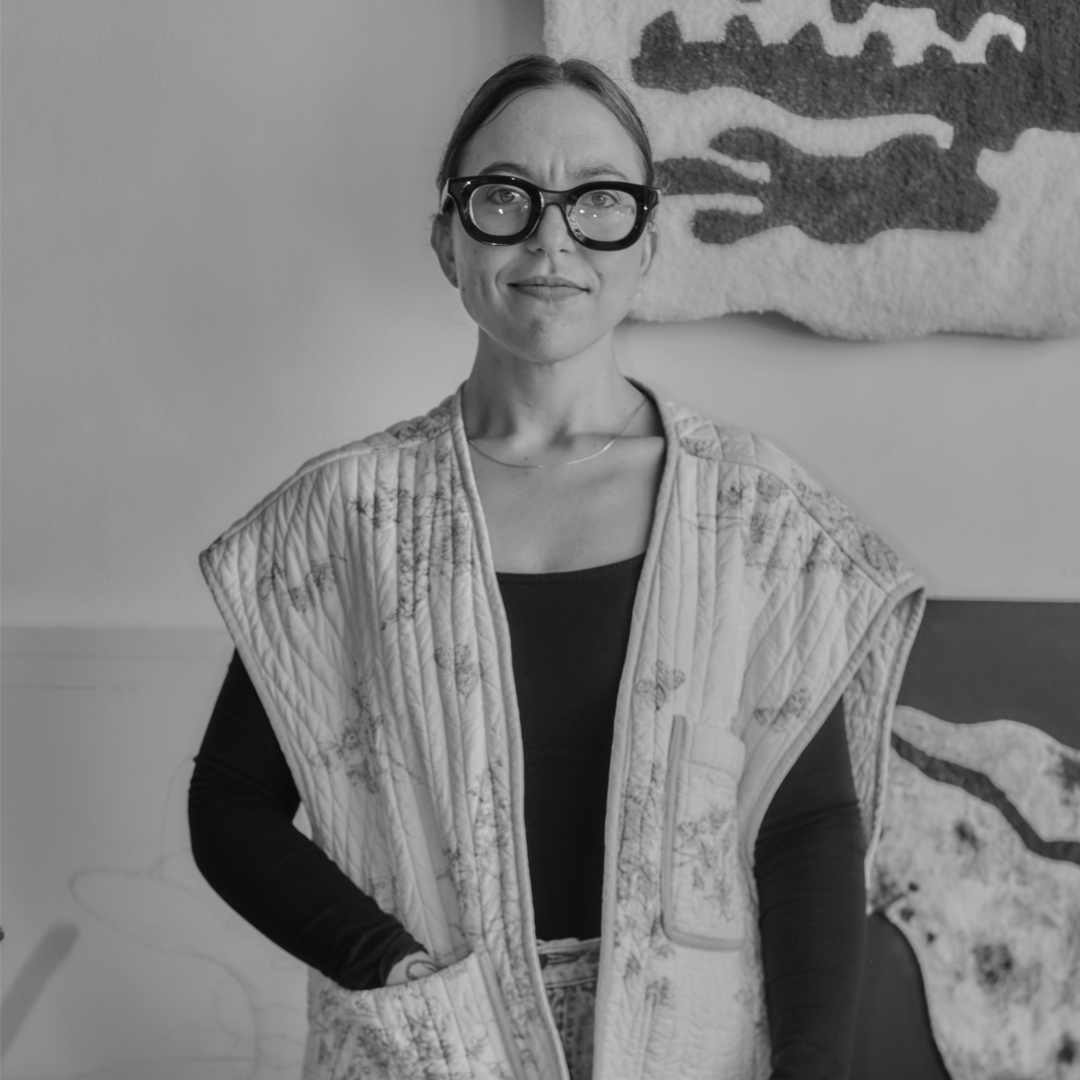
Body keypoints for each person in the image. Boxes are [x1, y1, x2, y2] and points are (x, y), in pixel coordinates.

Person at [189, 55, 924, 1080]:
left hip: (692, 1050)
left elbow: (808, 825)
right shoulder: (348, 517)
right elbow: (230, 804)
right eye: (505, 197)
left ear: (647, 244)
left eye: (598, 201)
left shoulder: (753, 512)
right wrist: (389, 968)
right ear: (447, 239)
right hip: (436, 1046)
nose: (552, 238)